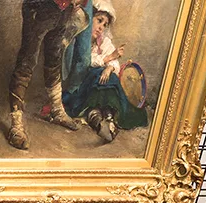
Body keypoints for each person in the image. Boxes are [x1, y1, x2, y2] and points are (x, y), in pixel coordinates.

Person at [7, 0, 91, 150]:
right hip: (39, 7)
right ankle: (16, 124)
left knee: (54, 58)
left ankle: (57, 111)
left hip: (64, 10)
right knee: (27, 60)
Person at [60, 0, 147, 142]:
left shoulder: (104, 42)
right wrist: (109, 58)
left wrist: (110, 67)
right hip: (83, 87)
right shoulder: (79, 41)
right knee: (98, 74)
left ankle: (108, 120)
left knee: (109, 77)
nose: (101, 27)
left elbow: (115, 63)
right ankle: (99, 121)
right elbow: (87, 62)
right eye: (99, 21)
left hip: (101, 85)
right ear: (89, 18)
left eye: (105, 25)